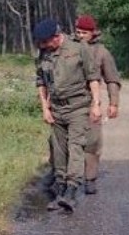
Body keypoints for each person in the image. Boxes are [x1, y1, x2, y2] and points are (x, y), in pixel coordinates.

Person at [34, 19, 102, 213]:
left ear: (56, 37)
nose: (43, 46)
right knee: (59, 150)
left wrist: (96, 105)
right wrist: (45, 108)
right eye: (41, 43)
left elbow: (93, 78)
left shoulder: (79, 49)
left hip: (78, 107)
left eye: (46, 42)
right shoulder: (43, 54)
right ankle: (60, 189)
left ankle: (71, 191)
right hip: (56, 109)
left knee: (76, 146)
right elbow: (41, 82)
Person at [73, 15, 121, 195]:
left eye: (84, 33)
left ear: (93, 33)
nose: (80, 35)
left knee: (93, 142)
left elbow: (112, 79)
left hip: (90, 101)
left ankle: (90, 177)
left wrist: (113, 103)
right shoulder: (69, 48)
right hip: (70, 102)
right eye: (77, 32)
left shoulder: (102, 52)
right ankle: (62, 177)